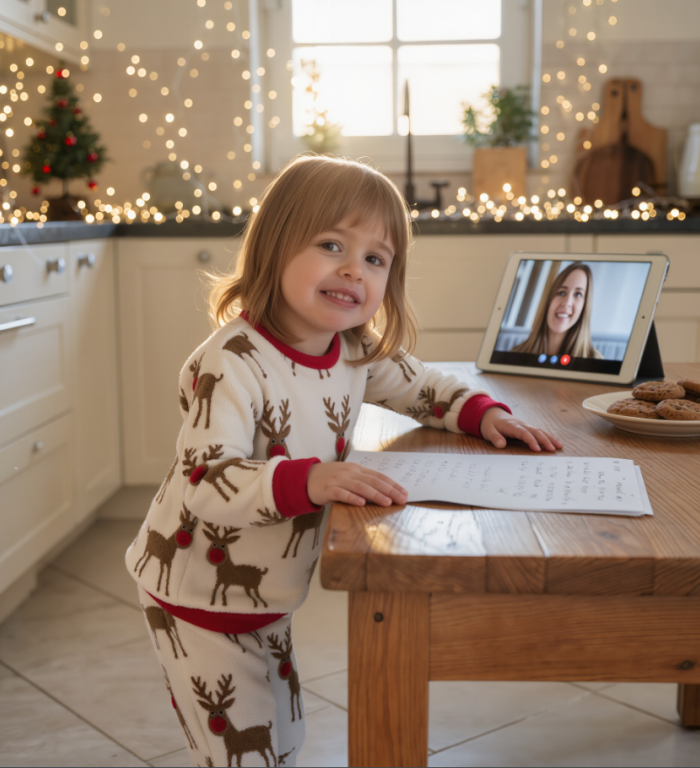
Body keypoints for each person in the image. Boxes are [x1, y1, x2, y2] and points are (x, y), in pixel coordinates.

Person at [125, 155, 562, 768]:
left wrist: (480, 412)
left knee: (286, 735)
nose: (354, 269)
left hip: (269, 590)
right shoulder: (231, 362)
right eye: (332, 244)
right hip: (195, 589)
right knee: (243, 753)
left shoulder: (351, 349)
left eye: (375, 259)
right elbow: (206, 479)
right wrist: (313, 478)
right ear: (275, 248)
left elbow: (421, 386)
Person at [511, 262, 603, 359]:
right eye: (562, 292)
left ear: (585, 307)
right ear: (549, 300)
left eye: (578, 294)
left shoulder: (597, 361)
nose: (567, 302)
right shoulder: (515, 354)